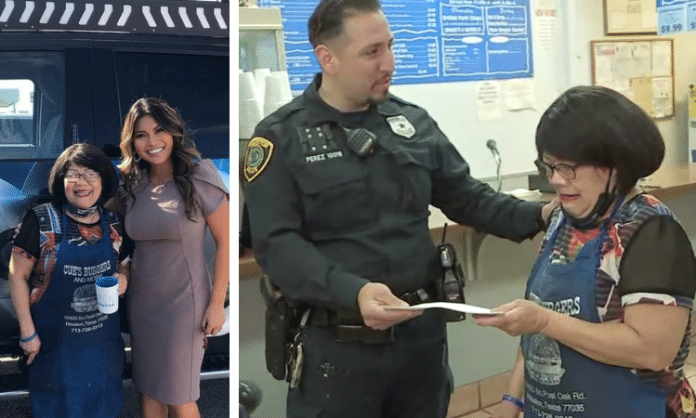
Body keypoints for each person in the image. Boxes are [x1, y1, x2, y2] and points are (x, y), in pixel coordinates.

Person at [242, 1, 556, 416]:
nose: (388, 63)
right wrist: (354, 293)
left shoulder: (411, 123)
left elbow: (466, 197)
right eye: (372, 52)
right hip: (339, 351)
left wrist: (541, 216)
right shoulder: (281, 137)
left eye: (390, 47)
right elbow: (277, 245)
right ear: (327, 58)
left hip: (419, 342)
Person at [474, 85, 696, 418]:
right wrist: (513, 399)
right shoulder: (562, 220)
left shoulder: (651, 233)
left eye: (569, 167)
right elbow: (536, 320)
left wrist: (546, 321)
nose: (557, 180)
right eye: (549, 167)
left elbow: (651, 351)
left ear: (615, 164)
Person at [115, 97, 229, 418]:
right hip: (142, 303)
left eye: (159, 130)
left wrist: (217, 304)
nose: (152, 142)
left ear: (174, 133)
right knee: (149, 388)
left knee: (180, 394)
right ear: (132, 142)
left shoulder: (200, 177)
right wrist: (122, 268)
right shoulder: (132, 185)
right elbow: (122, 241)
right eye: (141, 135)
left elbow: (226, 243)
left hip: (184, 306)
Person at [8, 143, 129, 418]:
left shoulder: (114, 224)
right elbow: (18, 275)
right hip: (55, 348)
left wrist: (123, 279)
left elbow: (124, 264)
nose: (81, 182)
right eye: (73, 174)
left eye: (90, 174)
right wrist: (28, 333)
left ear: (103, 179)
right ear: (61, 180)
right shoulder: (41, 220)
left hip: (102, 348)